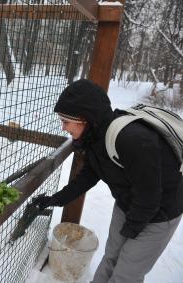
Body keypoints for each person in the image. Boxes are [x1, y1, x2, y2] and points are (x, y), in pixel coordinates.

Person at [34, 79, 183, 283]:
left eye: (66, 122)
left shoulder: (132, 139)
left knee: (126, 273)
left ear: (84, 119)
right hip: (129, 204)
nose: (63, 128)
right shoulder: (95, 138)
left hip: (160, 213)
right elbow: (88, 176)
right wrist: (55, 199)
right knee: (111, 257)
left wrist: (130, 231)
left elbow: (149, 196)